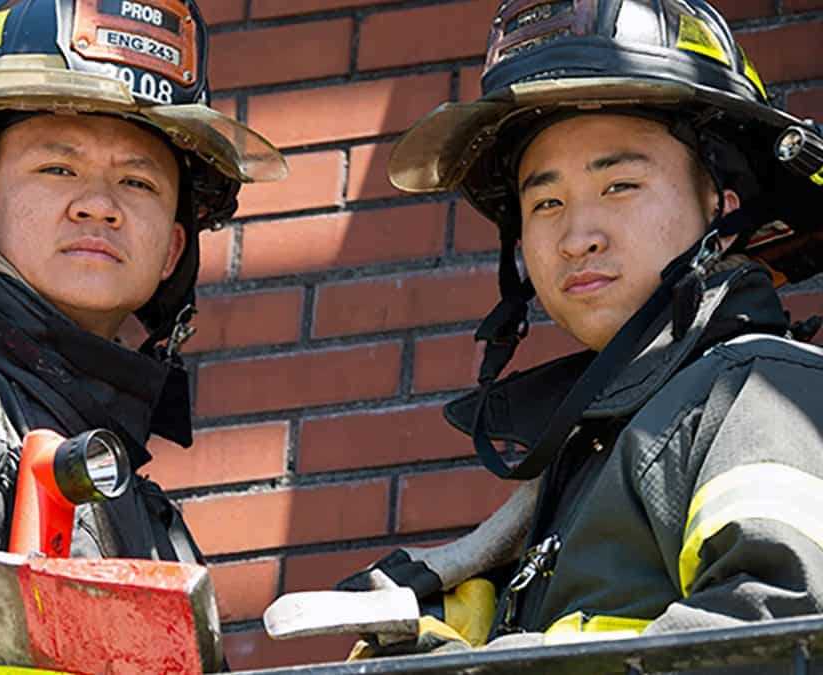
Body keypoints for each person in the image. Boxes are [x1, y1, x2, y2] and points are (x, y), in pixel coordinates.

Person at [337, 0, 823, 660]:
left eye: (619, 184)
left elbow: (778, 636)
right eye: (546, 202)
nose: (577, 237)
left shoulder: (760, 390)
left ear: (721, 203)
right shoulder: (595, 447)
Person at [0, 0, 286, 671]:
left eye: (138, 181)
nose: (100, 204)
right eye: (57, 168)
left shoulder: (154, 533)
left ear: (173, 248)